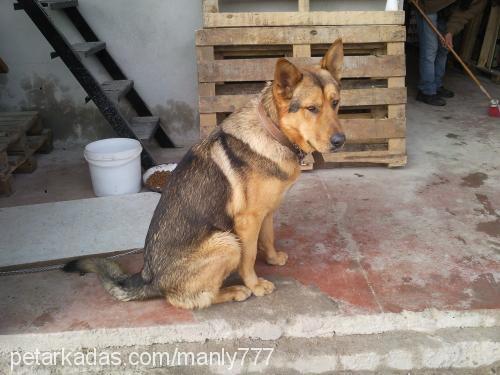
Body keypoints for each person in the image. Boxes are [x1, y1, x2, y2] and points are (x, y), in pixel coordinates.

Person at [416, 0, 487, 106]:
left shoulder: (481, 2)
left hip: (447, 14)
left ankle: (436, 85)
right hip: (428, 7)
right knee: (430, 49)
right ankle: (426, 91)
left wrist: (450, 32)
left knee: (445, 48)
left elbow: (462, 15)